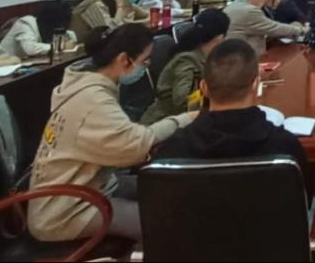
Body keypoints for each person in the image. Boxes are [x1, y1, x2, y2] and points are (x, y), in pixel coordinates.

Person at [28, 24, 196, 243]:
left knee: (163, 187)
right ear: (124, 59)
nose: (145, 67)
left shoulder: (83, 84)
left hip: (88, 188)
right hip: (65, 212)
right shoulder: (92, 100)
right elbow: (136, 146)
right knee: (164, 224)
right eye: (144, 61)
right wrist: (184, 119)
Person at [154, 38, 310, 195]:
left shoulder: (171, 152)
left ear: (204, 88)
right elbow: (304, 197)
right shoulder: (285, 148)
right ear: (256, 84)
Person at [140, 9, 230, 126]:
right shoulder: (187, 60)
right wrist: (210, 92)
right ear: (220, 38)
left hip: (185, 119)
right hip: (166, 122)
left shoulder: (206, 55)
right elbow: (182, 100)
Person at [224, 0, 309, 56]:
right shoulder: (249, 11)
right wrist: (300, 30)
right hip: (243, 59)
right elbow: (274, 28)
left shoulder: (234, 5)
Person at [71, 0, 148, 41]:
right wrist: (121, 8)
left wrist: (126, 4)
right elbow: (108, 34)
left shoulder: (108, 3)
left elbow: (144, 14)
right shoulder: (95, 4)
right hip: (82, 48)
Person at [0, 0, 77, 59]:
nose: (61, 28)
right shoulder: (25, 23)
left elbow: (69, 34)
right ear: (50, 22)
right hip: (4, 65)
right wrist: (61, 46)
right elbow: (31, 49)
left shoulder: (49, 28)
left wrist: (70, 39)